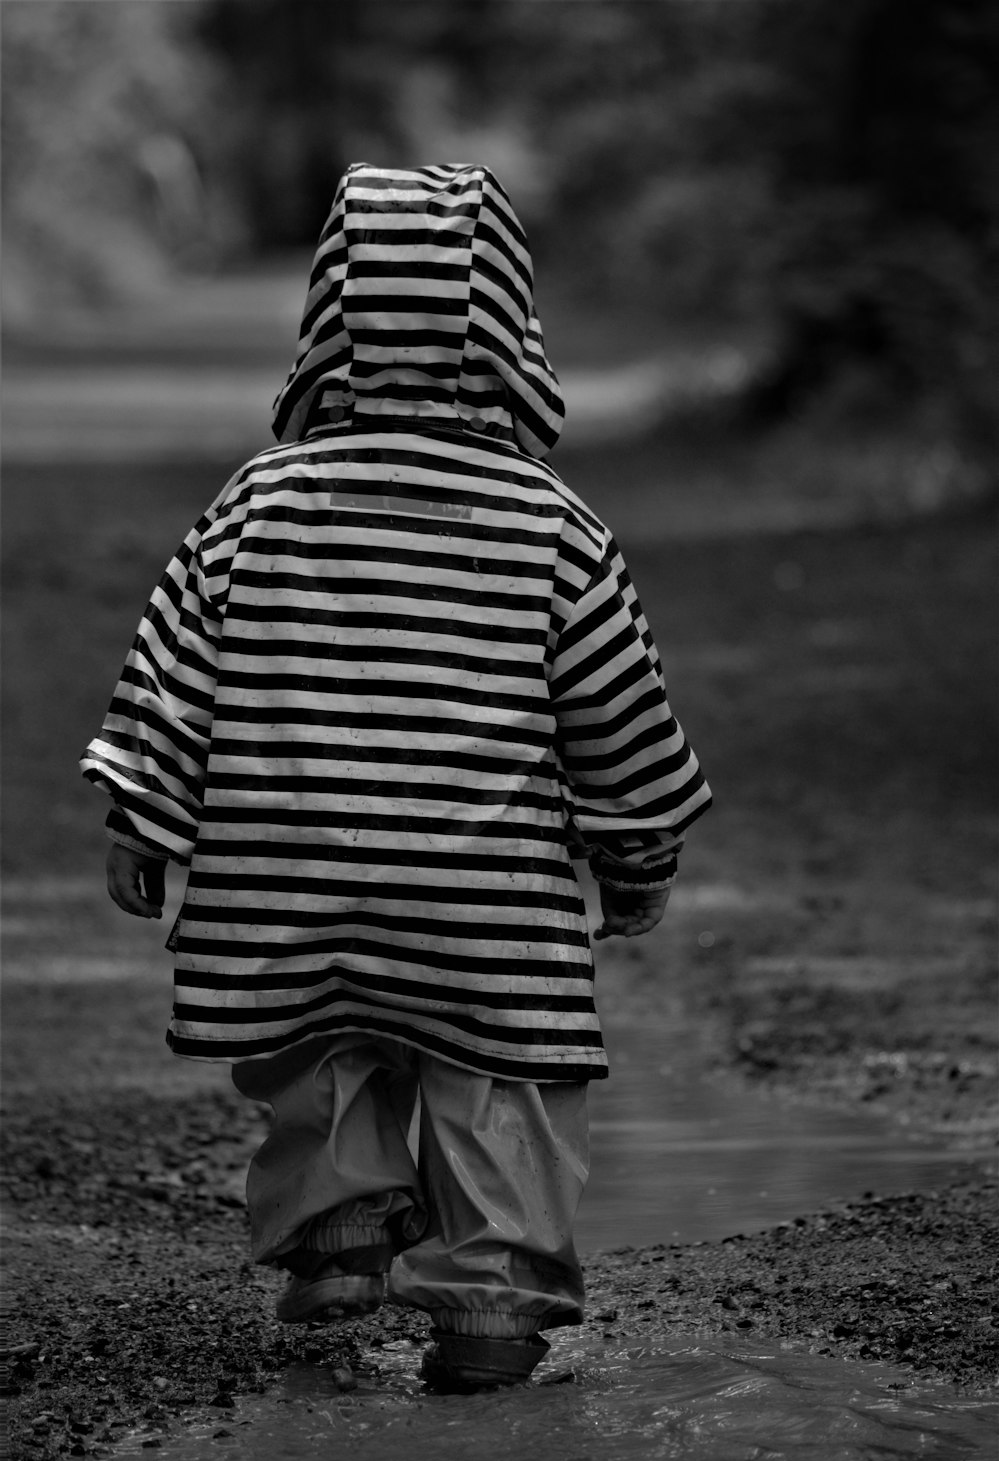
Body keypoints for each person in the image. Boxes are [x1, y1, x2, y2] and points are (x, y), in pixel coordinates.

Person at [82, 163, 711, 1391]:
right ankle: (487, 1311)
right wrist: (636, 858)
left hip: (289, 879)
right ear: (511, 329)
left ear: (326, 322)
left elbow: (174, 666)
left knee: (316, 1044)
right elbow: (618, 715)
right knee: (497, 1083)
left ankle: (337, 1236)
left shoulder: (256, 504)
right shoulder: (551, 524)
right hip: (480, 901)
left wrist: (143, 819)